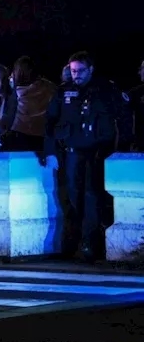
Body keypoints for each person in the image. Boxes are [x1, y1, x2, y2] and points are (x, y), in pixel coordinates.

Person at [44, 51, 133, 261]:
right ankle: (73, 242)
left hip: (98, 154)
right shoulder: (63, 92)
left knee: (93, 197)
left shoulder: (106, 91)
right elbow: (49, 123)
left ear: (91, 69)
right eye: (73, 71)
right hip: (71, 154)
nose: (76, 75)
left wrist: (122, 149)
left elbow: (125, 119)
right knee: (73, 198)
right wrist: (50, 153)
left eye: (81, 70)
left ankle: (89, 243)